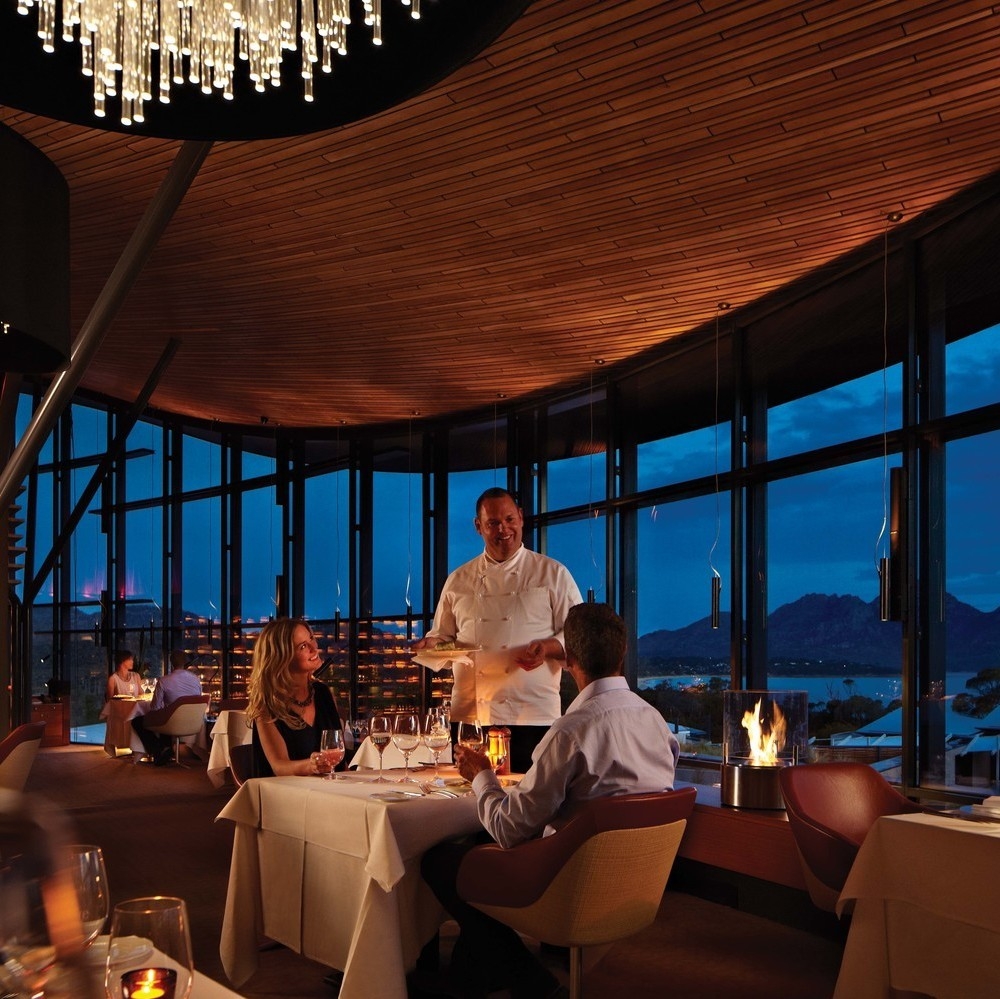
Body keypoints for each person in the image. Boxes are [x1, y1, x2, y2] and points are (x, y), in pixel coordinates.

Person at [418, 602, 680, 999]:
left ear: (569, 658)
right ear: (623, 653)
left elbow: (508, 830)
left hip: (572, 886)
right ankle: (472, 976)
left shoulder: (571, 732)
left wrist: (482, 776)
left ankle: (531, 982)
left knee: (441, 860)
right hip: (637, 885)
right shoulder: (657, 723)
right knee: (487, 854)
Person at [411, 487, 582, 773]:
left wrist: (548, 647)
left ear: (521, 518)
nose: (503, 529)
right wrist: (431, 645)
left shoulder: (553, 573)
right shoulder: (458, 580)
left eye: (509, 519)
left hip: (533, 716)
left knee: (532, 800)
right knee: (466, 799)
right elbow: (442, 635)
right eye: (493, 523)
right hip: (470, 716)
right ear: (479, 527)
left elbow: (578, 635)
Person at [244, 617, 342, 777]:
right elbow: (279, 767)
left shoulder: (323, 693)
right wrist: (312, 765)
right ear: (283, 657)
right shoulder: (266, 705)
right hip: (286, 794)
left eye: (311, 639)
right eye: (303, 646)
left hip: (328, 790)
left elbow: (339, 758)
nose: (314, 648)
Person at [131, 650, 204, 766]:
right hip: (194, 722)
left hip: (173, 722)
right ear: (185, 663)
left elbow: (155, 707)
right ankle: (164, 750)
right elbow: (199, 699)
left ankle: (158, 750)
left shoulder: (164, 681)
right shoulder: (196, 680)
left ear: (171, 664)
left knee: (137, 721)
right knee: (165, 716)